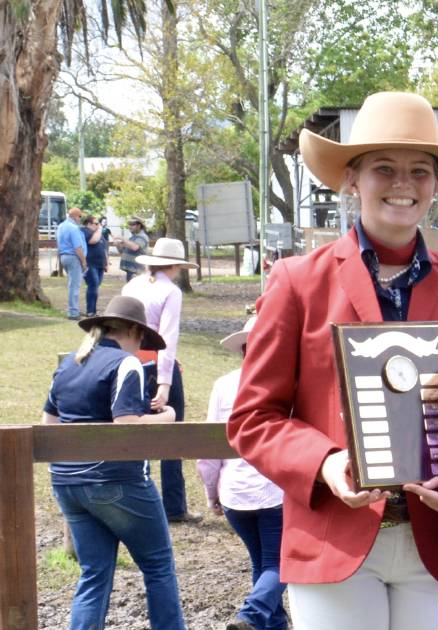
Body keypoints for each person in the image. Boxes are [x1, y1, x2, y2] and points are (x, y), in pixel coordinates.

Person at [227, 91, 438, 630]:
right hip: (334, 538)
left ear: (436, 184)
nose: (404, 183)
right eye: (384, 168)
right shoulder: (298, 282)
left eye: (420, 170)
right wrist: (325, 463)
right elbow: (252, 418)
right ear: (352, 177)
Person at [43, 295, 184, 629]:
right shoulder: (125, 364)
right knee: (158, 566)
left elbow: (48, 426)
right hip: (118, 480)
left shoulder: (68, 365)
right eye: (143, 341)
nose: (141, 351)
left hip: (67, 484)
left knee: (94, 573)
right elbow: (126, 426)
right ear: (134, 330)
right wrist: (168, 417)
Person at [198, 316, 289, 630]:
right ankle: (250, 615)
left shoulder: (223, 385)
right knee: (280, 565)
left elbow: (210, 449)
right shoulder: (291, 383)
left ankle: (266, 623)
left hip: (235, 493)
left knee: (263, 566)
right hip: (277, 491)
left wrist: (212, 492)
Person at [122, 237, 200, 523]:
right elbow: (167, 337)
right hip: (156, 362)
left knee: (131, 431)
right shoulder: (170, 291)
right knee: (172, 434)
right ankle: (174, 506)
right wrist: (165, 383)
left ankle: (135, 500)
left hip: (129, 361)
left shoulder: (132, 285)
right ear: (176, 265)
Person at [56, 206, 88, 319]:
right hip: (74, 257)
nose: (80, 219)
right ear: (74, 216)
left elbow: (59, 244)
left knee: (72, 284)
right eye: (79, 216)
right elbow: (78, 247)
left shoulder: (61, 226)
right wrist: (83, 261)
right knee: (74, 286)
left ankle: (74, 309)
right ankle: (73, 312)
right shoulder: (73, 228)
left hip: (64, 256)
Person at [81, 214, 109, 317]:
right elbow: (93, 241)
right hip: (90, 263)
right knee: (93, 285)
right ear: (89, 224)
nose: (99, 225)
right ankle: (90, 311)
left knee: (96, 286)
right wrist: (99, 230)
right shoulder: (85, 231)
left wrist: (106, 262)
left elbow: (104, 247)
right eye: (96, 223)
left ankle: (93, 310)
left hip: (100, 264)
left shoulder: (98, 233)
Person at [116, 217, 151, 281]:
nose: (130, 226)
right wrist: (118, 245)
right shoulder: (133, 237)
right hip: (131, 270)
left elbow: (135, 247)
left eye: (133, 224)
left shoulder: (143, 236)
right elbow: (122, 251)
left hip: (137, 271)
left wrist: (123, 238)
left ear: (139, 225)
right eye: (129, 224)